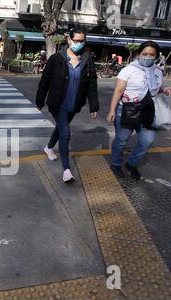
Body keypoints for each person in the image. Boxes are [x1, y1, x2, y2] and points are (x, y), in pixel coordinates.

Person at [36, 28, 99, 183]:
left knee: (60, 127)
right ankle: (66, 170)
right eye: (76, 40)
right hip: (57, 103)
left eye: (82, 41)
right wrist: (40, 100)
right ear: (69, 40)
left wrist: (94, 105)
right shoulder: (56, 58)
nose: (79, 43)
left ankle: (49, 147)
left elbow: (92, 84)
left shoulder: (87, 59)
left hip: (74, 104)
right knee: (65, 133)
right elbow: (45, 81)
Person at [107, 41, 171, 179]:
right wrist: (112, 110)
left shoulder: (158, 70)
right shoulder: (129, 69)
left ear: (156, 56)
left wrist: (164, 89)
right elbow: (119, 90)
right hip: (127, 110)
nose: (148, 57)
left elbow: (154, 89)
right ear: (139, 54)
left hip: (148, 111)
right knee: (122, 140)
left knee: (147, 140)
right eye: (145, 54)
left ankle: (131, 164)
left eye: (152, 54)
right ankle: (115, 164)